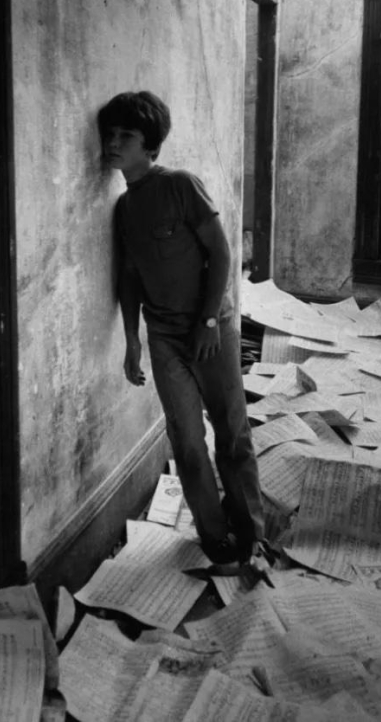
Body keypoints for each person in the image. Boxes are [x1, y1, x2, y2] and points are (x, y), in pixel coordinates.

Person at [98, 90, 265, 564]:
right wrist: (133, 341)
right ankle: (215, 541)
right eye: (109, 135)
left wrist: (211, 320)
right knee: (188, 443)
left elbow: (222, 254)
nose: (113, 144)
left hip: (210, 327)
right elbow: (128, 278)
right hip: (165, 336)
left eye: (125, 136)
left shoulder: (180, 185)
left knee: (231, 434)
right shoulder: (124, 209)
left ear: (149, 145)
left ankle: (253, 535)